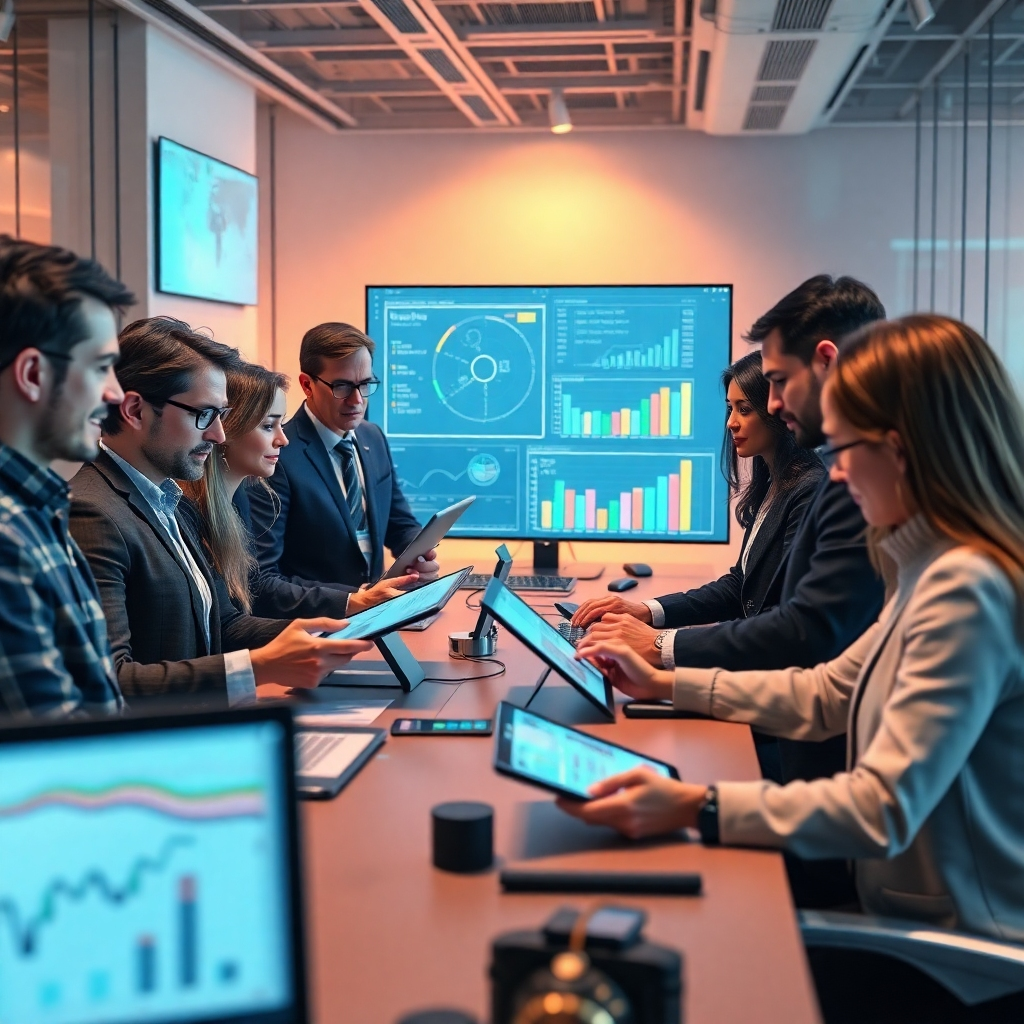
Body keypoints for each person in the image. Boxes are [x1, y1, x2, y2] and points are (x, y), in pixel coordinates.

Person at [568, 315, 1024, 945]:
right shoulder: (928, 567)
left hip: (958, 954)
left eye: (844, 450)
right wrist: (662, 684)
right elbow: (828, 694)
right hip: (908, 917)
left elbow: (880, 809)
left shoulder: (965, 589)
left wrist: (697, 806)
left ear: (897, 450)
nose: (834, 475)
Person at [573, 276, 887, 790]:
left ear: (827, 361)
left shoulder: (841, 485)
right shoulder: (812, 479)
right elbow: (826, 685)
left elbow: (800, 634)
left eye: (779, 382)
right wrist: (658, 657)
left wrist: (663, 648)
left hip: (814, 771)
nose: (775, 406)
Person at [70, 317, 372, 703]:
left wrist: (316, 633)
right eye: (204, 415)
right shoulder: (91, 513)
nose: (218, 435)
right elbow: (109, 681)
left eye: (221, 416)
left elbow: (223, 624)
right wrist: (258, 668)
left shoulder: (170, 502)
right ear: (134, 410)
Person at [572, 349, 825, 664]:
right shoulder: (775, 481)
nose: (731, 423)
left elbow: (782, 618)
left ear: (776, 410)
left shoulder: (809, 490)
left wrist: (660, 643)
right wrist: (646, 611)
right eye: (730, 408)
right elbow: (740, 587)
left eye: (745, 409)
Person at [0, 237, 133, 717]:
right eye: (101, 367)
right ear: (33, 374)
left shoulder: (36, 509)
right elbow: (59, 771)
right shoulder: (7, 541)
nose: (116, 393)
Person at [180, 360, 417, 618]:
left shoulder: (237, 501)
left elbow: (232, 621)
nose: (283, 439)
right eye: (269, 426)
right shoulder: (189, 516)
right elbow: (255, 594)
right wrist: (351, 602)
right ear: (228, 429)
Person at [247, 322, 436, 593]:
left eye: (366, 384)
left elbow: (398, 522)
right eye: (343, 387)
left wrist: (419, 553)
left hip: (376, 615)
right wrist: (354, 599)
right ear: (307, 385)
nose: (357, 400)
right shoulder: (277, 457)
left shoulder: (373, 437)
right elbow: (263, 579)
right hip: (317, 626)